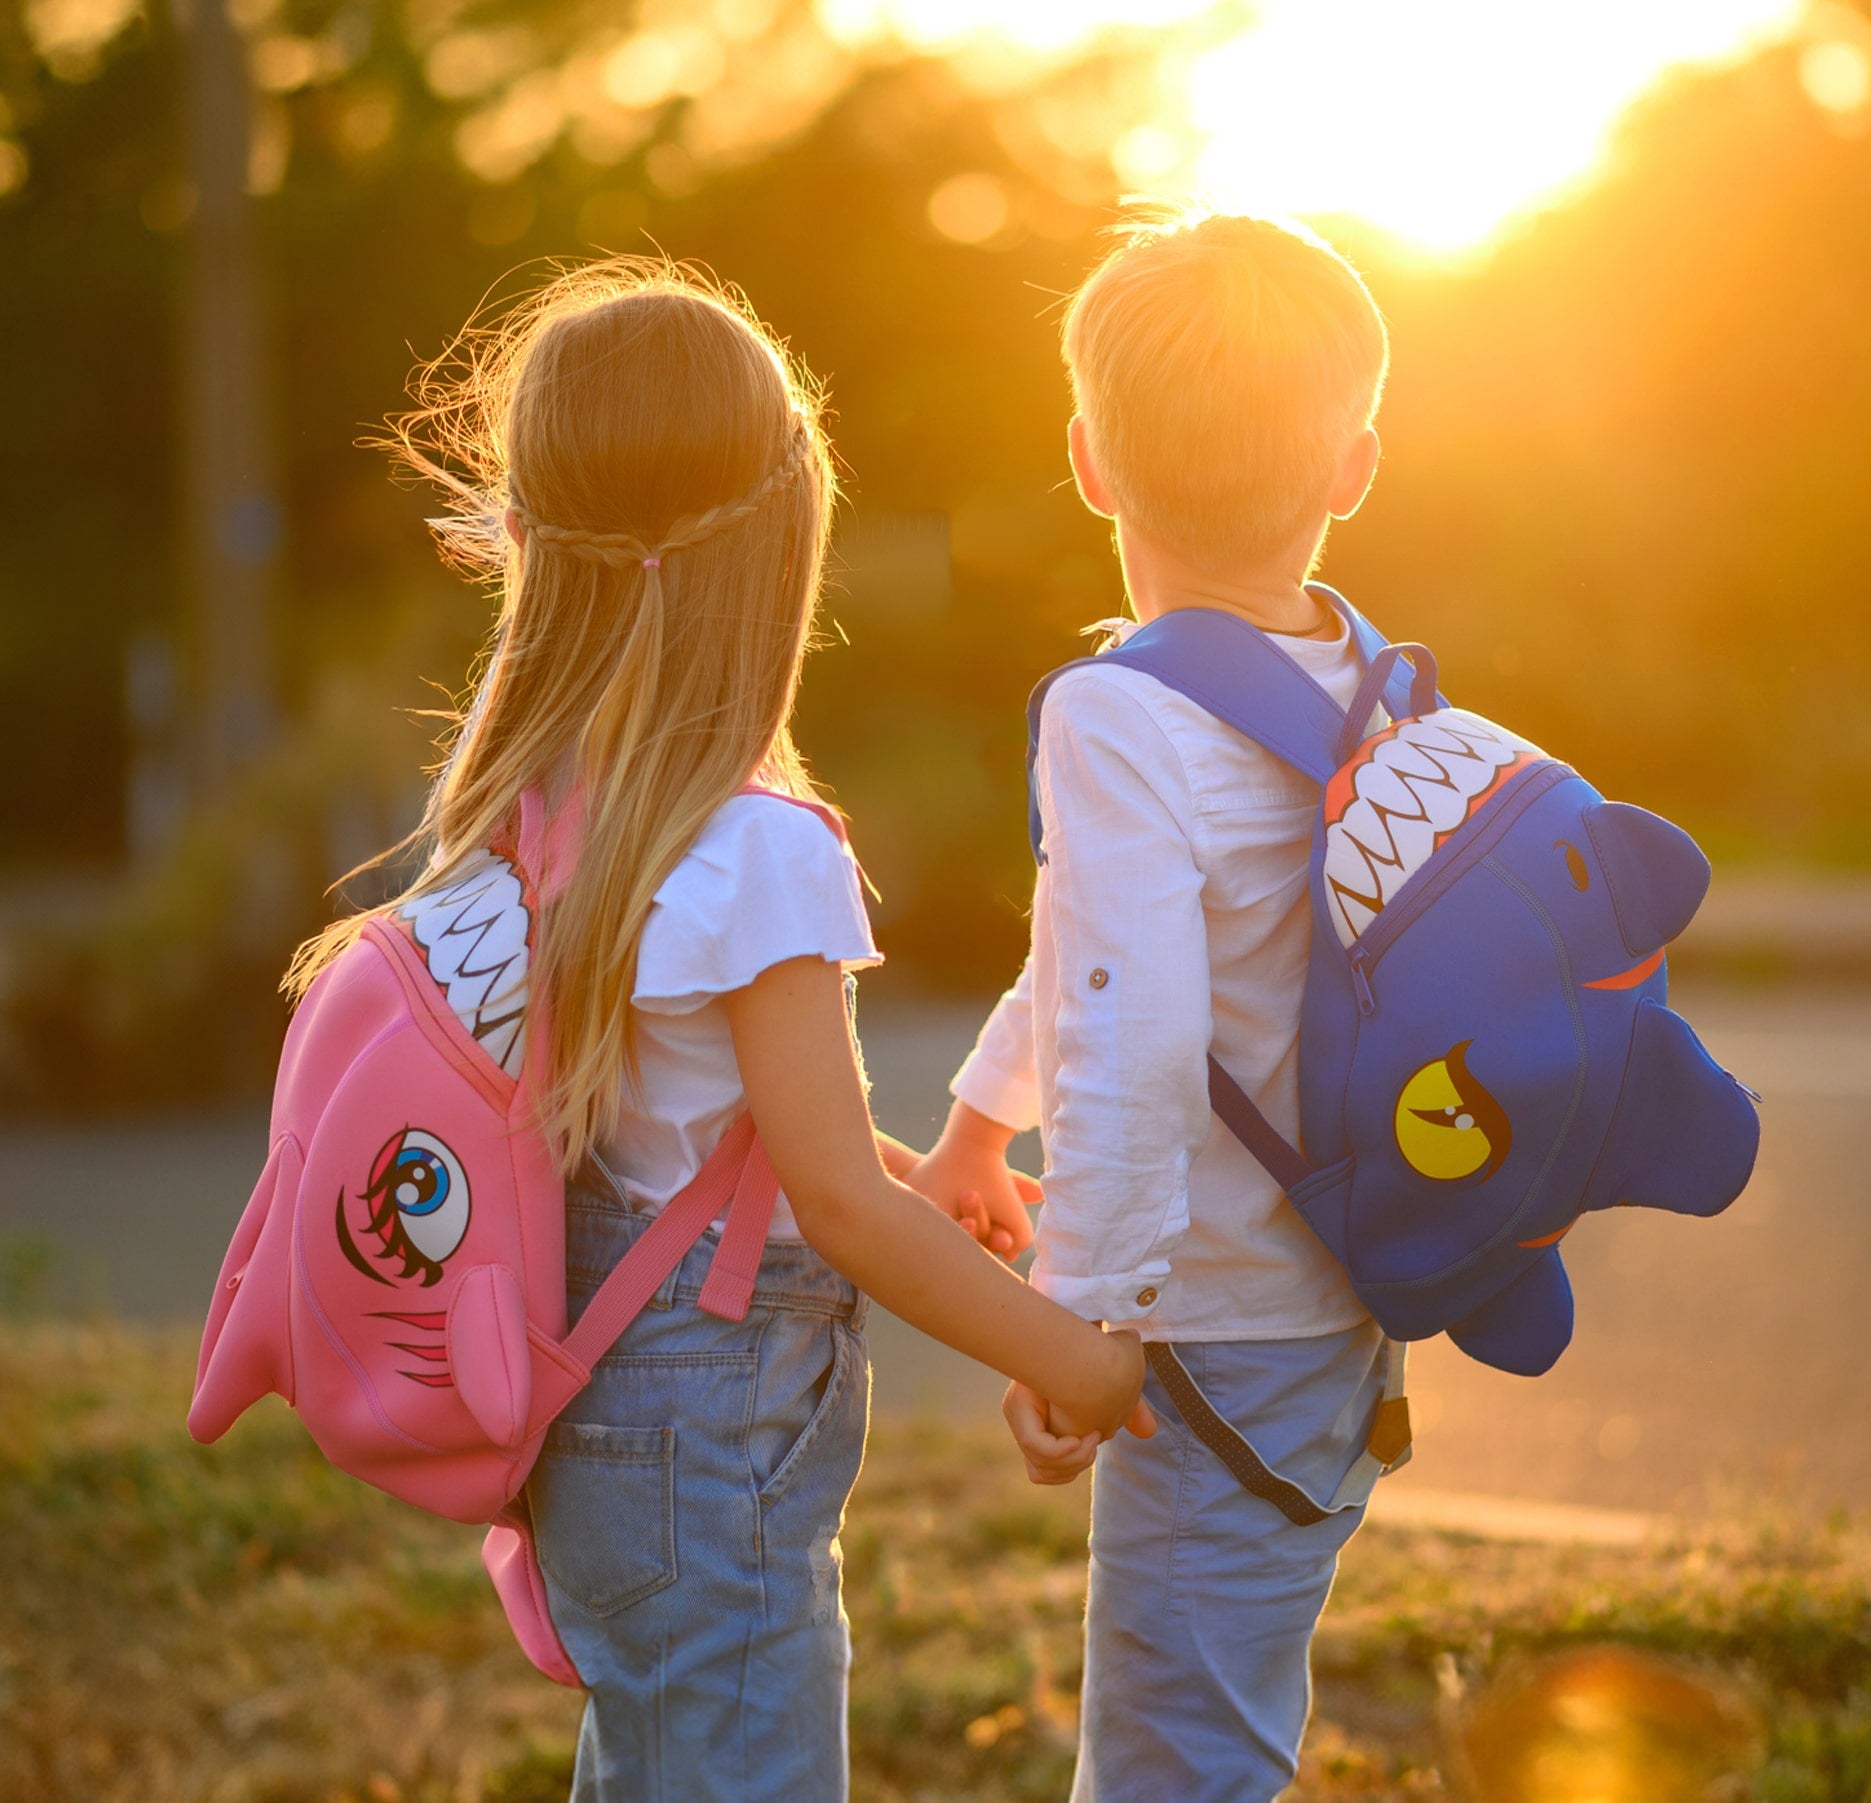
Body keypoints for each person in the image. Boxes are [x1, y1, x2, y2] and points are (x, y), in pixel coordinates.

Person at [312, 259, 1149, 1801]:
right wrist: (1076, 1362)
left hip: (601, 1424)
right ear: (776, 551)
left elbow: (704, 1131)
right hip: (712, 1446)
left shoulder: (547, 807)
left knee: (652, 1768)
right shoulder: (757, 847)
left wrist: (923, 1175)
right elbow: (826, 1200)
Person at [910, 211, 1400, 1800]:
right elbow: (1104, 956)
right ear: (1352, 468)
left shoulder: (1123, 713)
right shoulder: (1367, 682)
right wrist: (986, 1118)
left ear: (1088, 461)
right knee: (1228, 1726)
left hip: (1203, 1330)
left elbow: (1128, 1028)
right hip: (1340, 1296)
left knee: (1177, 1767)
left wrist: (1081, 1322)